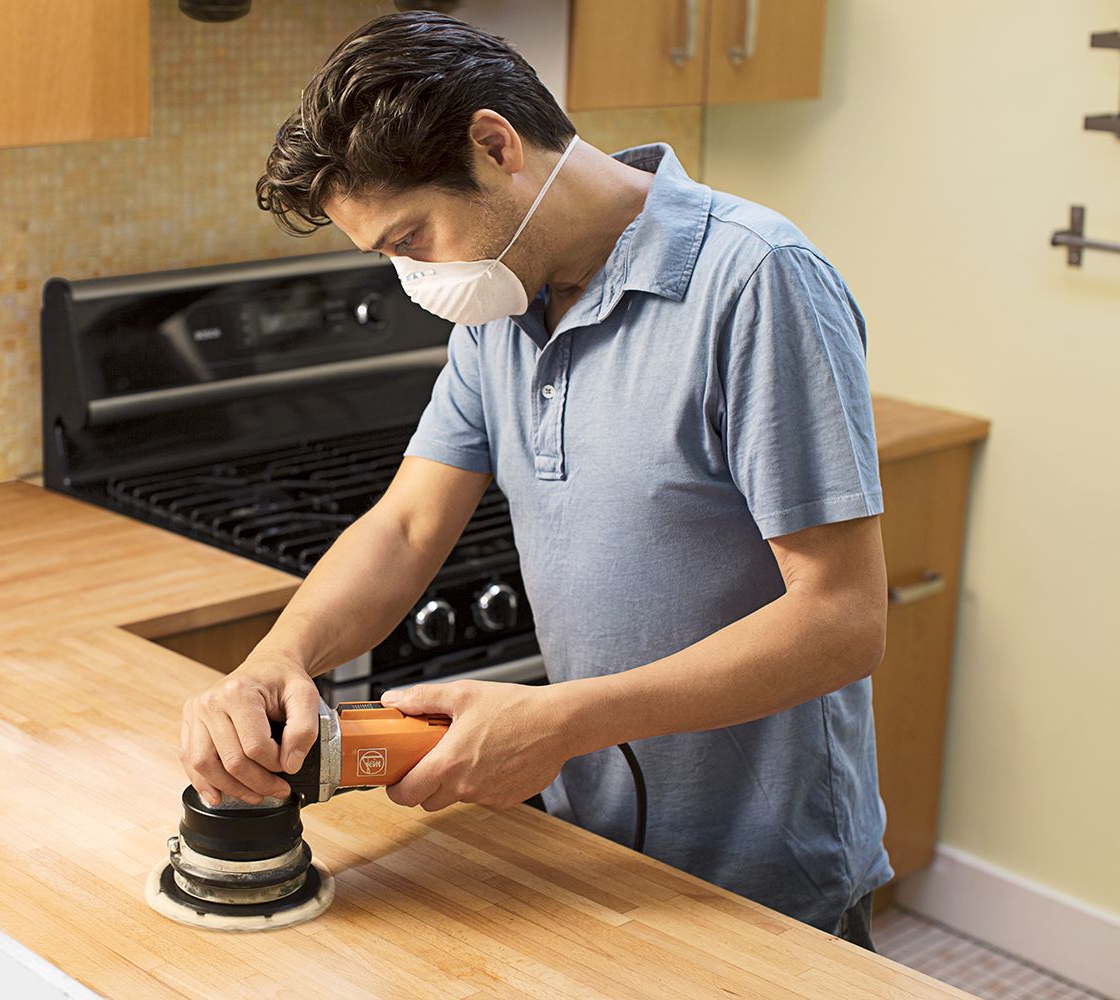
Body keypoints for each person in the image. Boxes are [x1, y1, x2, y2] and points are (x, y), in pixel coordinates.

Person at [178, 11, 890, 951]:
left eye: (411, 237)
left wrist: (559, 722)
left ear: (494, 143)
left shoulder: (758, 282)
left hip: (764, 866)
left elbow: (843, 617)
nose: (411, 278)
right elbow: (405, 529)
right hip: (591, 847)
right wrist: (281, 656)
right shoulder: (500, 305)